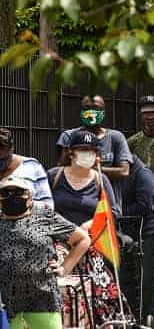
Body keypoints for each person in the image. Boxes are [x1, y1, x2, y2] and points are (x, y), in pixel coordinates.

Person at [47, 130, 122, 325]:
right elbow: (42, 209)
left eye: (90, 150)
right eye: (82, 150)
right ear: (71, 153)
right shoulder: (54, 176)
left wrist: (87, 226)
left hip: (91, 245)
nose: (86, 154)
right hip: (58, 244)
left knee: (102, 294)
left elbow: (111, 213)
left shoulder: (100, 180)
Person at [0, 177, 90, 329]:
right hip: (7, 305)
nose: (12, 197)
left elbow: (83, 239)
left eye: (18, 192)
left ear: (30, 198)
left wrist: (64, 268)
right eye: (5, 193)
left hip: (43, 300)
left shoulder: (45, 216)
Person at [56, 95, 132, 210]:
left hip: (106, 206)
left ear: (103, 112)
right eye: (87, 108)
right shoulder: (69, 136)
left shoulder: (115, 137)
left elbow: (124, 171)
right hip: (71, 204)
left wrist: (89, 168)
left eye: (96, 108)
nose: (91, 112)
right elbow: (61, 168)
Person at [119, 155, 154, 326]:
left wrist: (119, 211)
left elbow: (144, 205)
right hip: (123, 232)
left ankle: (146, 316)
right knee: (126, 277)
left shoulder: (142, 174)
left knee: (146, 278)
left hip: (144, 232)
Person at [0, 127, 53, 210]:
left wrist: (26, 203)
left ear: (11, 149)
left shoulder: (31, 166)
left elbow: (48, 206)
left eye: (2, 159)